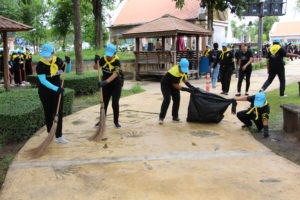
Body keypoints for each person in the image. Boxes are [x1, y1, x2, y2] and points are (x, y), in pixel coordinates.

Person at [36, 44, 68, 144]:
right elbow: (43, 81)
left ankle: (59, 136)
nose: (46, 57)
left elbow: (67, 70)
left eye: (48, 55)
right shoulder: (40, 65)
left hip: (57, 91)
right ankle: (50, 134)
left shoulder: (58, 61)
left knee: (58, 113)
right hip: (45, 92)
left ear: (53, 53)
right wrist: (55, 88)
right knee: (48, 113)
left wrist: (69, 63)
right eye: (44, 55)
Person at [159, 58, 195, 124]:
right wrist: (187, 90)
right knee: (167, 99)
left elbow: (185, 79)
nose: (183, 71)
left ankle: (175, 117)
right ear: (179, 66)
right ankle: (161, 117)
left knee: (177, 99)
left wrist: (191, 87)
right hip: (166, 85)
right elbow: (176, 85)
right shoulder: (174, 71)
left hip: (174, 84)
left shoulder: (183, 71)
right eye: (182, 69)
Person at [96, 44, 123, 128]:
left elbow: (115, 74)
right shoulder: (103, 59)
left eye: (110, 55)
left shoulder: (117, 61)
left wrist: (105, 82)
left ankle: (116, 122)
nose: (109, 57)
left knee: (115, 103)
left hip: (116, 85)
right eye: (107, 55)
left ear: (114, 54)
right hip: (106, 85)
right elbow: (96, 68)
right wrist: (95, 62)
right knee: (104, 103)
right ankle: (101, 121)